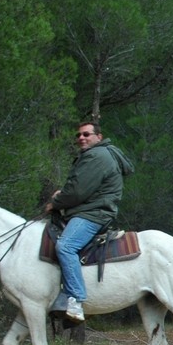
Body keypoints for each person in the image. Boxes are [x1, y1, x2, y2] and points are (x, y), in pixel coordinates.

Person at [45, 121, 134, 322]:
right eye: (78, 135)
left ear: (99, 137)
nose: (81, 138)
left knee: (66, 246)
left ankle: (76, 300)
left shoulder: (97, 155)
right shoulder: (101, 155)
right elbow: (81, 187)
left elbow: (78, 190)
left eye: (86, 134)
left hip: (93, 214)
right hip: (93, 210)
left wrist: (56, 202)